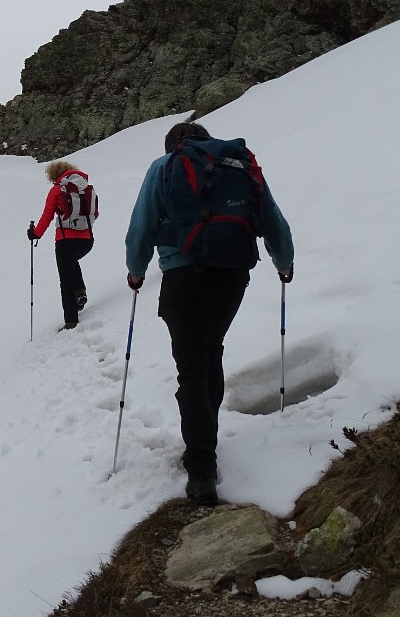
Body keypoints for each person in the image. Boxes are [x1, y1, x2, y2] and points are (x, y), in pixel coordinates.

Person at [124, 121, 294, 506]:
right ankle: (207, 437)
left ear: (174, 145)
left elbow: (142, 227)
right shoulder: (237, 164)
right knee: (210, 350)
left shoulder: (163, 166)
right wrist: (284, 262)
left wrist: (136, 271)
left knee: (191, 366)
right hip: (232, 276)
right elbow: (271, 217)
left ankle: (201, 469)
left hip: (184, 278)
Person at [27, 161, 98, 330]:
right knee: (73, 261)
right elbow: (95, 213)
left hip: (65, 241)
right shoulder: (86, 188)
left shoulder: (57, 190)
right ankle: (80, 292)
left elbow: (47, 216)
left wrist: (34, 234)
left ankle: (71, 321)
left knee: (65, 280)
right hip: (87, 240)